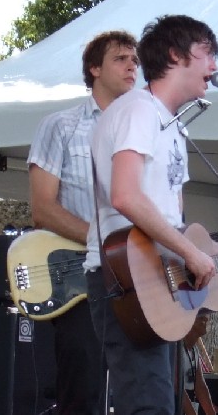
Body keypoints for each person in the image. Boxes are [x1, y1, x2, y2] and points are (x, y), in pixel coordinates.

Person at [83, 14, 218, 415]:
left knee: (157, 404)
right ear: (175, 55)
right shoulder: (138, 110)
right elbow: (124, 195)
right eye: (208, 53)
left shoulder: (173, 126)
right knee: (147, 405)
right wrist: (192, 255)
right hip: (126, 278)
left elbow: (176, 234)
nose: (214, 66)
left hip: (155, 281)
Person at [27, 30, 139, 414]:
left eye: (135, 60)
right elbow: (42, 208)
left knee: (138, 390)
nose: (132, 66)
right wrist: (102, 243)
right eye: (121, 58)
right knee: (83, 391)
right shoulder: (61, 126)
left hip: (134, 282)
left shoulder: (149, 129)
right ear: (94, 68)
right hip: (76, 278)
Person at [179, 314, 217, 415]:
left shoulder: (194, 350)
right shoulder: (176, 349)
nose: (206, 318)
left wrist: (211, 412)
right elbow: (177, 387)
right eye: (200, 316)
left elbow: (200, 385)